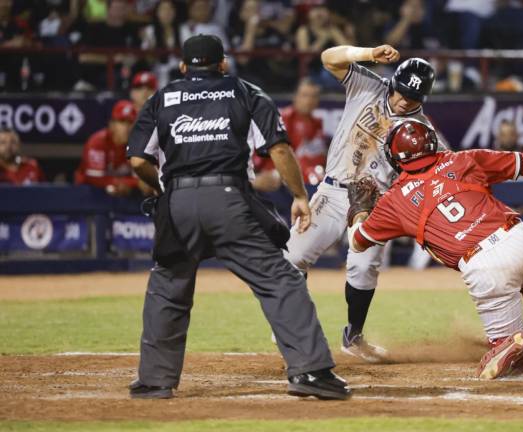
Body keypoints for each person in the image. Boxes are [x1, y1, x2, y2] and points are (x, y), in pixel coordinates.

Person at [126, 34, 350, 400]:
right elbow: (277, 148)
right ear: (223, 64)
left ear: (183, 67)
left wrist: (164, 190)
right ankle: (309, 373)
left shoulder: (161, 98)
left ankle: (155, 380)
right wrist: (298, 195)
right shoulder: (245, 91)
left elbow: (138, 160)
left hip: (178, 201)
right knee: (281, 280)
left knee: (168, 286)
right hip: (228, 199)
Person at [347, 119, 523, 379]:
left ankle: (509, 342)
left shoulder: (393, 199)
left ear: (395, 157)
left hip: (484, 266)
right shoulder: (462, 159)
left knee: (507, 353)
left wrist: (359, 211)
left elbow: (358, 242)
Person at [284, 43, 440, 363]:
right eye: (398, 91)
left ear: (422, 100)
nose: (400, 101)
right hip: (333, 191)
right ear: (393, 81)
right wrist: (368, 53)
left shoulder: (420, 129)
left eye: (410, 99)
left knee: (364, 267)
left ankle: (354, 336)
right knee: (292, 256)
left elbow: (419, 177)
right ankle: (290, 326)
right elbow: (328, 58)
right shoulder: (368, 84)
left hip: (374, 203)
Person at [252, 78, 327, 192]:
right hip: (281, 182)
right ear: (295, 97)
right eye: (305, 95)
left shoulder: (317, 124)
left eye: (313, 96)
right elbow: (259, 156)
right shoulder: (283, 119)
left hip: (310, 181)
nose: (309, 100)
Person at [75, 100, 139, 197]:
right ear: (111, 124)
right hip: (88, 196)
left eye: (130, 122)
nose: (126, 128)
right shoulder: (98, 142)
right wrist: (122, 183)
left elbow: (142, 180)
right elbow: (94, 177)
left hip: (124, 198)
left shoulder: (138, 145)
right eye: (121, 122)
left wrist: (126, 185)